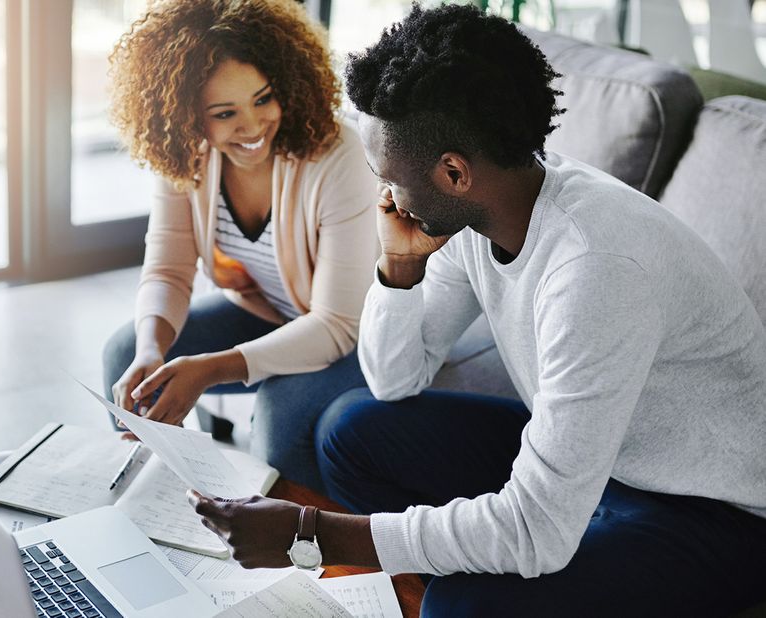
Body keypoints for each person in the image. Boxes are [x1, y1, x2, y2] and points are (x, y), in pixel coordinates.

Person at [189, 5, 766, 616]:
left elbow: (540, 528)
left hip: (712, 514)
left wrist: (310, 532)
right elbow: (392, 379)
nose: (382, 195)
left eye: (385, 175)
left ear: (454, 172)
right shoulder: (483, 209)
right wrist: (399, 266)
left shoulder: (595, 267)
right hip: (599, 469)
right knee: (351, 431)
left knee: (464, 605)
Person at [100, 0, 378, 491]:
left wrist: (208, 369)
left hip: (362, 335)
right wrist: (152, 349)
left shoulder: (339, 155)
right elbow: (167, 271)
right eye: (224, 113)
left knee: (279, 417)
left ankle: (296, 554)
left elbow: (336, 325)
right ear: (186, 117)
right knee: (126, 352)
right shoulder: (186, 154)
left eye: (264, 98)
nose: (252, 126)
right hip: (272, 312)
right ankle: (157, 508)